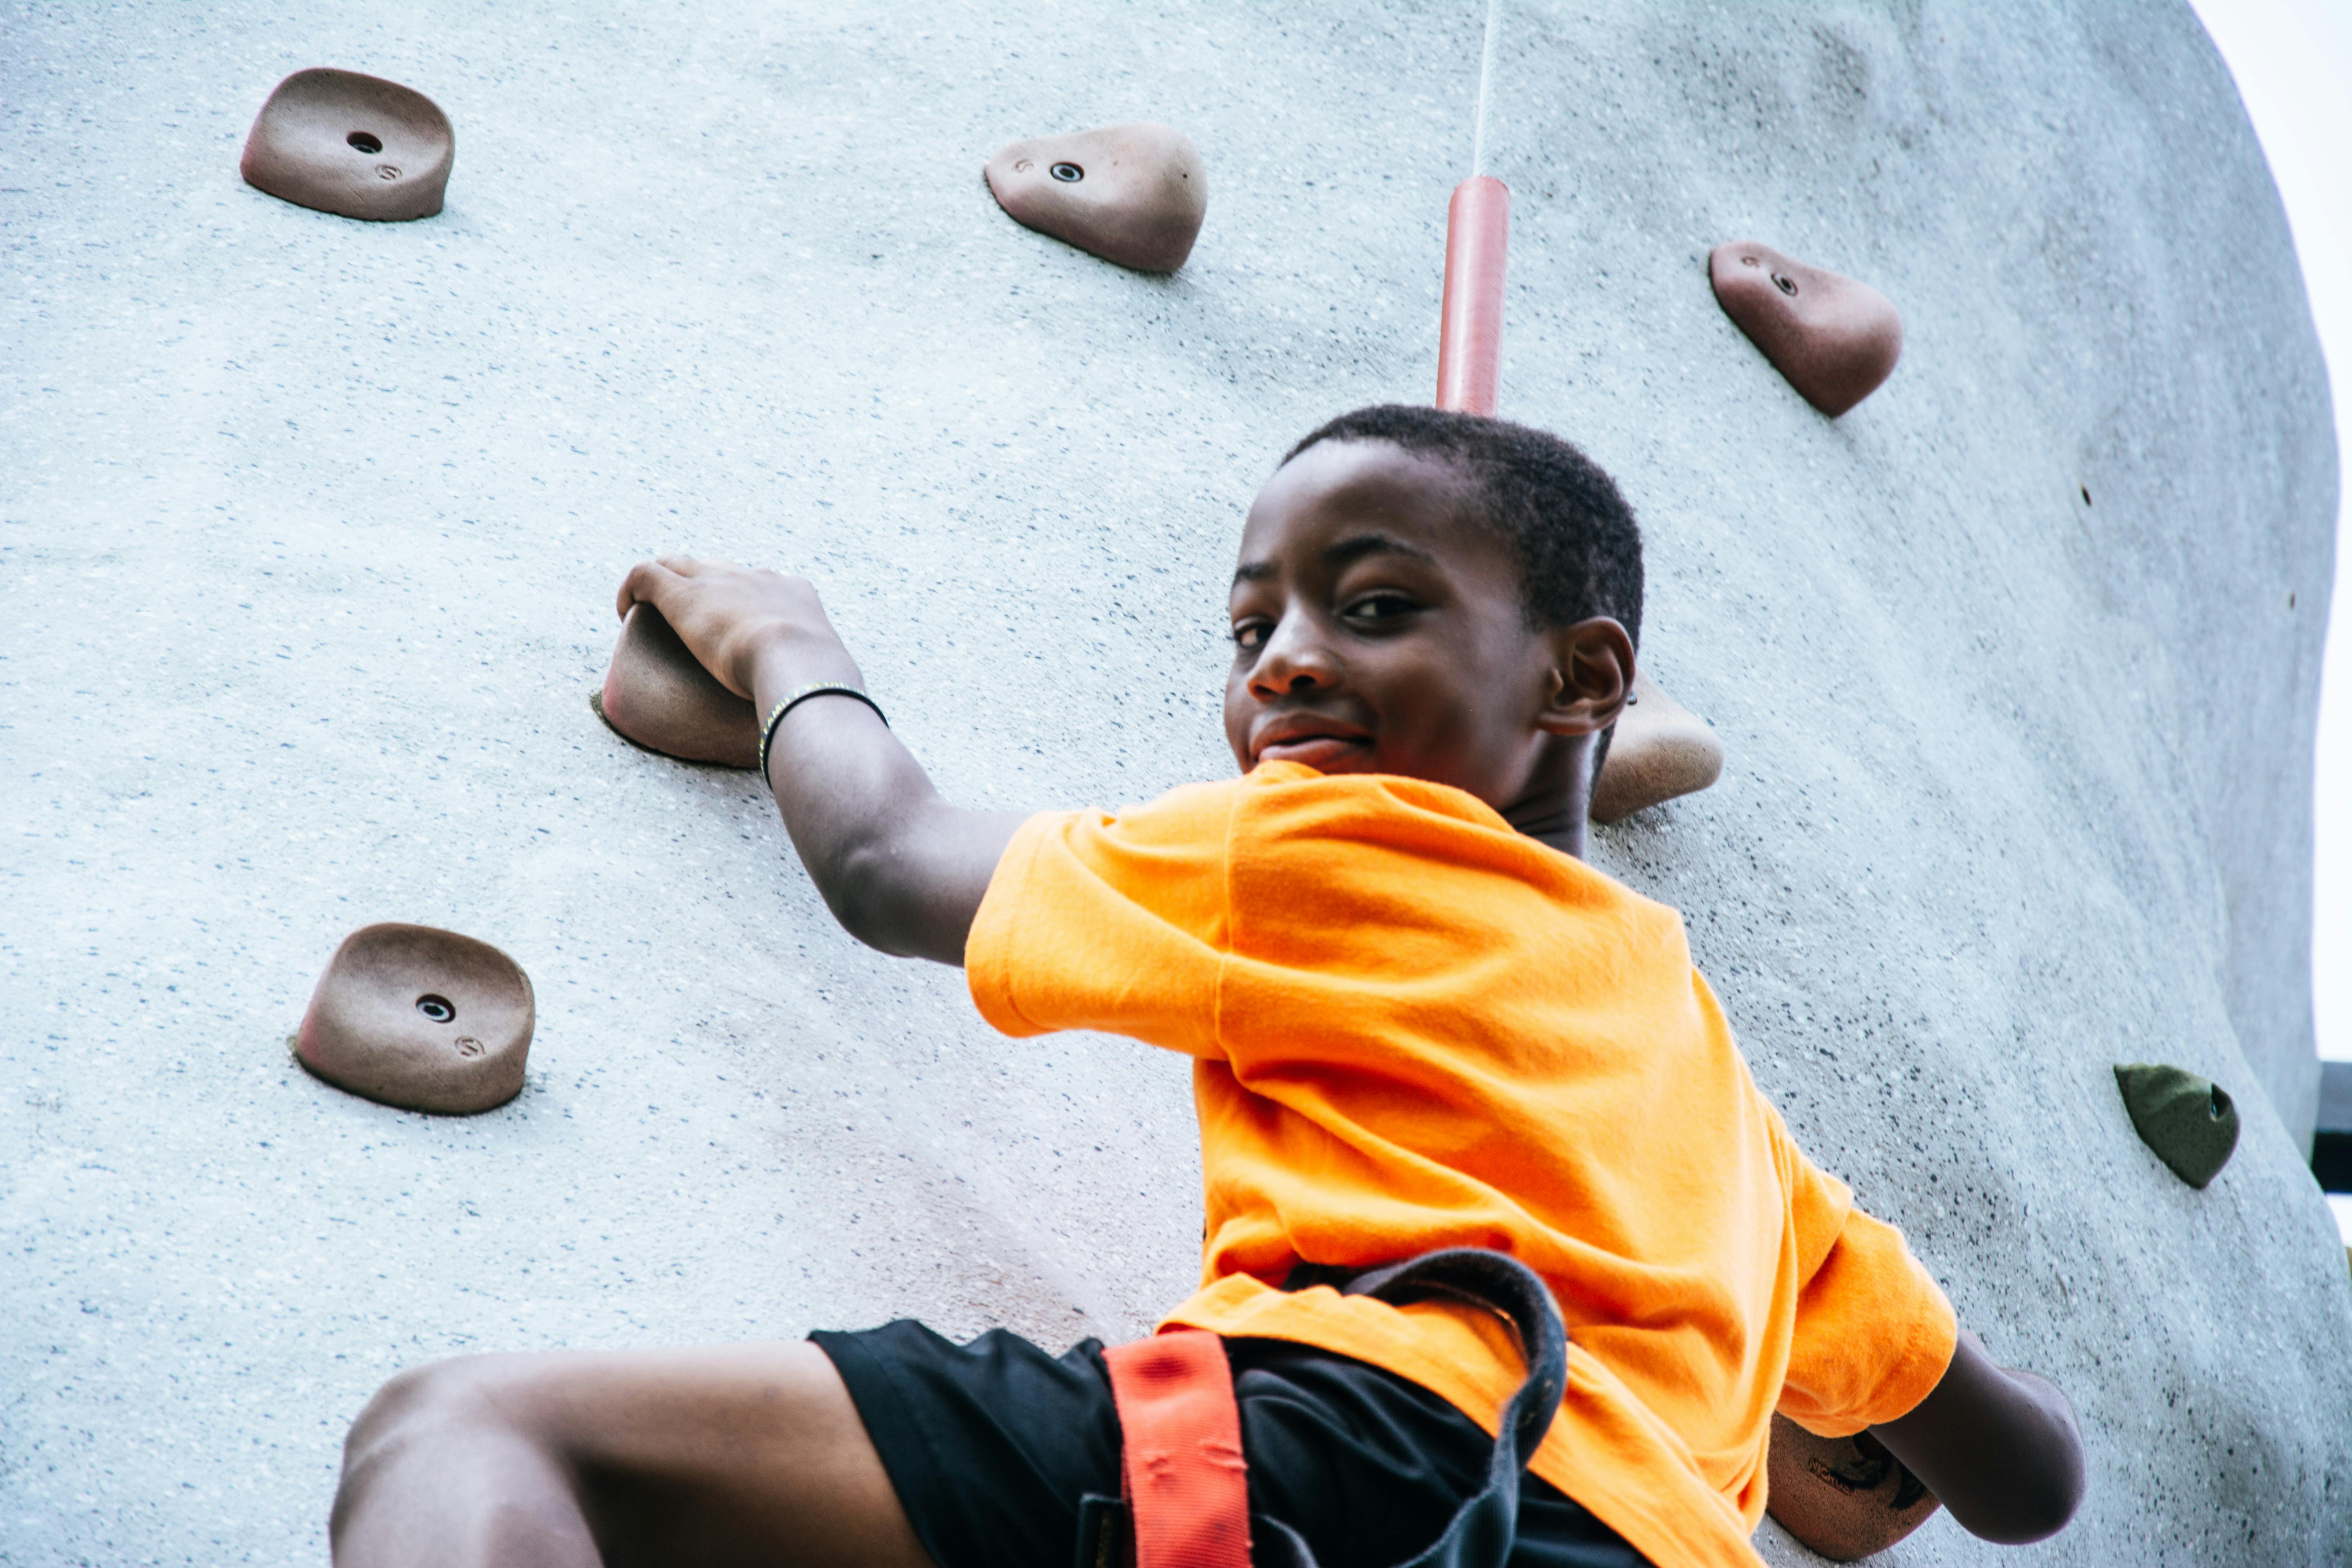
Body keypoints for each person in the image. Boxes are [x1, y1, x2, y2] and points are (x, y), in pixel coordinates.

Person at [328, 407, 2084, 1568]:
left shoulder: (1338, 840)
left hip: (1353, 1454)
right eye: (1252, 636)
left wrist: (791, 646)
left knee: (473, 1425)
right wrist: (1792, 1425)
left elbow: (887, 866)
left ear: (1582, 675)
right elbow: (2027, 1480)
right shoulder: (1742, 1134)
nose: (1292, 661)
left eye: (1375, 604)